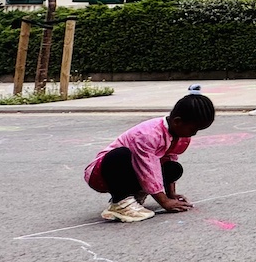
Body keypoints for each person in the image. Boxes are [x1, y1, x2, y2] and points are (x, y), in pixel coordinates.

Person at [84, 87, 216, 223]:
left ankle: (134, 196)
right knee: (120, 155)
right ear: (177, 121)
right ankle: (120, 203)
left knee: (173, 167)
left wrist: (171, 195)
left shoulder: (179, 135)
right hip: (102, 173)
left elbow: (166, 161)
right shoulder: (148, 135)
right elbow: (147, 169)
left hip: (134, 170)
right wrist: (164, 202)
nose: (194, 134)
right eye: (193, 129)